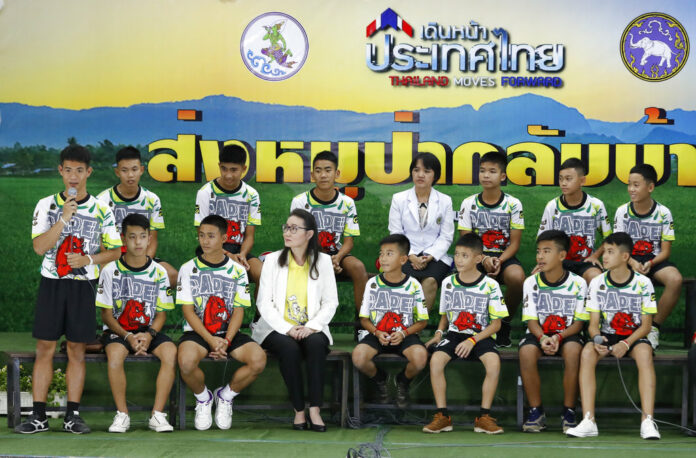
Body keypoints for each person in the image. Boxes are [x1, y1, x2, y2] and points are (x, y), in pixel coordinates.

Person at [17, 144, 122, 434]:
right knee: (45, 349)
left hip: (83, 286)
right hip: (52, 283)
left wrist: (88, 258)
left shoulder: (102, 209)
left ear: (88, 172)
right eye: (68, 170)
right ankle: (38, 416)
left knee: (77, 350)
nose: (73, 176)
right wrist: (63, 218)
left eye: (79, 170)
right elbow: (40, 247)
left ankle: (72, 415)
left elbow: (114, 251)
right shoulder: (46, 204)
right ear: (60, 171)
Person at [566, 232, 660, 440]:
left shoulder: (644, 283)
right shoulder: (597, 282)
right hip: (607, 336)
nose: (604, 257)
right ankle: (589, 420)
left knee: (644, 354)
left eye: (610, 252)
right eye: (604, 252)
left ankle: (647, 420)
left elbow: (646, 326)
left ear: (625, 257)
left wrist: (626, 343)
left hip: (634, 336)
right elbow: (592, 325)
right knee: (588, 352)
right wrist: (598, 340)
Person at [251, 209, 339, 432]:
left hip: (311, 326)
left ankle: (315, 410)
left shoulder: (324, 261)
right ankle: (299, 410)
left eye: (294, 228)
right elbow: (264, 303)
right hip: (275, 328)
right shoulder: (271, 261)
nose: (287, 233)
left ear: (309, 234)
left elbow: (331, 302)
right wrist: (288, 328)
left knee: (317, 344)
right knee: (289, 349)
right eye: (286, 227)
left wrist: (311, 327)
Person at [177, 215, 267, 431]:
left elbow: (239, 310)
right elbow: (188, 311)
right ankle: (203, 398)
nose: (205, 241)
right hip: (198, 333)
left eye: (211, 236)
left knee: (258, 359)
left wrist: (226, 341)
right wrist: (210, 339)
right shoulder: (188, 268)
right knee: (186, 362)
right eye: (201, 236)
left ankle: (225, 396)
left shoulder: (237, 270)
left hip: (229, 332)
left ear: (224, 238)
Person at [97, 214, 177, 433]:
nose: (138, 242)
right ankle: (122, 414)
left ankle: (157, 415)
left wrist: (149, 335)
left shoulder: (159, 272)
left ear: (150, 239)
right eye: (132, 237)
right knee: (115, 356)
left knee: (170, 352)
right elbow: (106, 315)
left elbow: (161, 314)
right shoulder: (110, 270)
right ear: (123, 239)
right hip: (119, 331)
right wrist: (128, 337)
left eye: (143, 237)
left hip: (148, 331)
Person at [423, 233, 507, 435]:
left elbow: (496, 325)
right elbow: (445, 316)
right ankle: (442, 416)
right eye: (457, 255)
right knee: (435, 361)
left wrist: (473, 340)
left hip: (481, 336)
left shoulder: (490, 285)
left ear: (478, 259)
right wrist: (438, 333)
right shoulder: (449, 282)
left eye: (465, 255)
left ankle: (483, 417)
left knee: (494, 363)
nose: (459, 260)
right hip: (454, 335)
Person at [519, 230, 587, 433]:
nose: (540, 256)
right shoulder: (531, 282)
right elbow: (531, 320)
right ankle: (536, 411)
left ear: (562, 255)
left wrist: (557, 337)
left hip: (567, 334)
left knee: (574, 351)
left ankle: (569, 411)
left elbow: (578, 323)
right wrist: (542, 338)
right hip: (539, 332)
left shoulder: (578, 283)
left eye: (547, 251)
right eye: (538, 251)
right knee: (526, 352)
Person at [352, 234, 429, 409]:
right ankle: (381, 380)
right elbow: (364, 319)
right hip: (378, 333)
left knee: (419, 358)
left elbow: (422, 322)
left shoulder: (414, 285)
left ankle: (402, 382)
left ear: (403, 259)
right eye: (381, 254)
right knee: (358, 357)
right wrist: (377, 332)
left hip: (405, 334)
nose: (383, 258)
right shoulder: (373, 284)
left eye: (389, 253)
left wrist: (403, 333)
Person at [457, 151, 525, 347]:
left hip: (503, 256)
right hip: (474, 256)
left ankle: (503, 323)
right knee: (461, 278)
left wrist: (499, 261)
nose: (486, 175)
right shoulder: (468, 203)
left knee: (517, 278)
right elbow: (466, 240)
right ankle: (467, 326)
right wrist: (483, 258)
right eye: (482, 171)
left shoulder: (513, 204)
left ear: (502, 176)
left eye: (492, 171)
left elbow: (515, 243)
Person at [290, 151, 368, 314]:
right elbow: (298, 240)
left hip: (336, 255)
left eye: (328, 170)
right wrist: (325, 261)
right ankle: (304, 318)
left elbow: (349, 242)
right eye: (318, 171)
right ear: (312, 175)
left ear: (336, 173)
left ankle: (363, 325)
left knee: (359, 267)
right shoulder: (300, 201)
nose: (323, 175)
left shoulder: (347, 202)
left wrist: (337, 258)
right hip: (308, 253)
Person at [613, 164, 682, 349]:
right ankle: (622, 329)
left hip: (655, 260)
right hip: (627, 259)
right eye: (629, 184)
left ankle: (653, 327)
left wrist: (650, 263)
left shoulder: (663, 213)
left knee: (675, 279)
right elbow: (618, 247)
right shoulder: (622, 212)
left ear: (650, 187)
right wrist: (633, 262)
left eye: (636, 185)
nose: (631, 189)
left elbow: (666, 251)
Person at [97, 146, 178, 287]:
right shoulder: (102, 200)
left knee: (172, 276)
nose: (130, 175)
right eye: (124, 170)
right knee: (106, 279)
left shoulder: (152, 199)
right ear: (117, 172)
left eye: (134, 169)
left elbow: (153, 240)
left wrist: (142, 264)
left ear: (141, 170)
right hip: (112, 256)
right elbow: (102, 242)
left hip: (141, 255)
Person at [194, 144, 263, 296]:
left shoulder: (251, 194)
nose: (228, 175)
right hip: (210, 248)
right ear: (219, 166)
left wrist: (243, 255)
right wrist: (227, 254)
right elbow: (202, 234)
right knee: (224, 273)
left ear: (244, 169)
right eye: (224, 168)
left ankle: (258, 319)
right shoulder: (206, 192)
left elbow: (250, 236)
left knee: (263, 274)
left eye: (234, 170)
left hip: (239, 250)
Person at [388, 152, 454, 310]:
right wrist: (410, 256)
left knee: (430, 281)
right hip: (405, 254)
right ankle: (402, 327)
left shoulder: (445, 201)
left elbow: (446, 236)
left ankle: (417, 327)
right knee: (405, 282)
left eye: (427, 171)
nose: (420, 175)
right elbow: (396, 233)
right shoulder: (399, 199)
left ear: (435, 175)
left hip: (435, 257)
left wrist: (429, 256)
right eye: (416, 170)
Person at [536, 158, 612, 284]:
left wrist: (595, 255)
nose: (563, 183)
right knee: (537, 278)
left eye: (568, 179)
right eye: (560, 179)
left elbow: (609, 238)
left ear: (582, 180)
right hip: (558, 261)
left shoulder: (596, 205)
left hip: (585, 262)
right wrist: (543, 262)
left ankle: (587, 304)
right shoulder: (552, 206)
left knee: (596, 278)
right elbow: (542, 240)